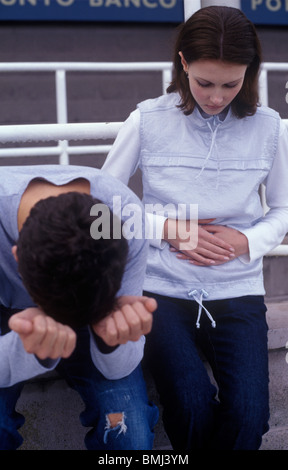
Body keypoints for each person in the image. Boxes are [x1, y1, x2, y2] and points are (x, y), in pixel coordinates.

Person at [102, 6, 288, 450]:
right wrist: (166, 228)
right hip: (159, 289)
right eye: (204, 82)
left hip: (237, 289)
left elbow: (282, 211)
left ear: (251, 72)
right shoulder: (146, 120)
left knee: (249, 419)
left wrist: (247, 239)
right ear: (183, 63)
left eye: (232, 83)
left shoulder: (270, 128)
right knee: (188, 404)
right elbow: (100, 208)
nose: (217, 97)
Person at [0, 164, 158, 450]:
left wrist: (111, 340)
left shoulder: (121, 219)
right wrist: (26, 349)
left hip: (93, 308)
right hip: (5, 312)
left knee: (129, 437)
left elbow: (122, 365)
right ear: (17, 261)